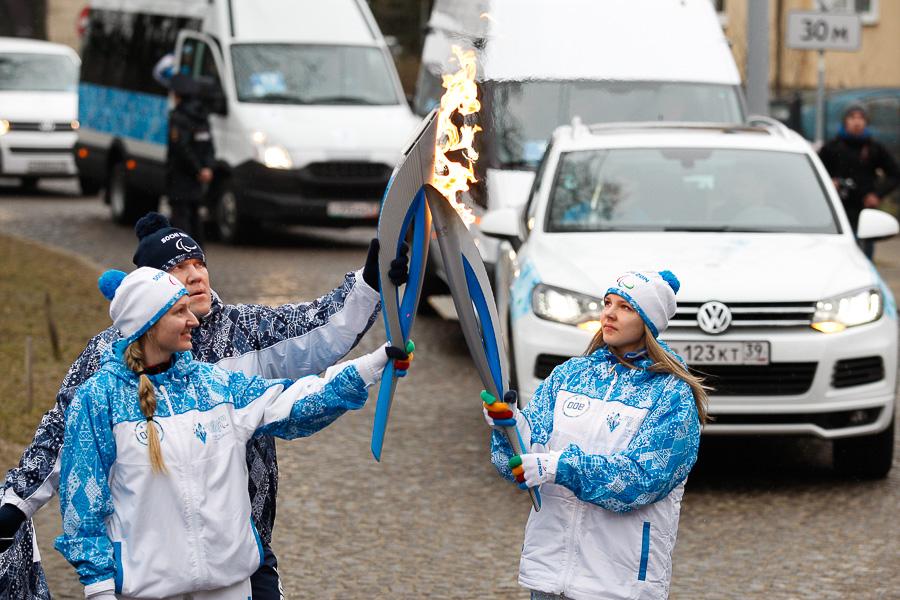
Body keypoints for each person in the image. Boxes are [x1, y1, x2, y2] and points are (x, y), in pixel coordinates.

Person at [0, 212, 408, 599]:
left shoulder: (239, 334)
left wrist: (370, 286)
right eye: (180, 268)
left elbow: (315, 336)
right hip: (150, 552)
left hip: (236, 544)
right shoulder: (104, 368)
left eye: (199, 262)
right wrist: (17, 504)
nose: (195, 275)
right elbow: (64, 441)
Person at [483, 270, 707, 600]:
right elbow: (523, 459)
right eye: (607, 303)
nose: (609, 313)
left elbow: (641, 482)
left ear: (649, 321)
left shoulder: (671, 395)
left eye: (627, 307)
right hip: (549, 571)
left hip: (619, 582)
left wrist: (559, 467)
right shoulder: (571, 375)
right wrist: (509, 427)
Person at [819, 104, 900, 259]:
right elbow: (817, 173)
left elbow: (894, 174)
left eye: (861, 118)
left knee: (864, 255)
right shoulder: (831, 148)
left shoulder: (874, 148)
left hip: (864, 210)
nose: (857, 122)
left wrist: (877, 194)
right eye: (852, 118)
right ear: (845, 121)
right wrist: (829, 183)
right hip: (837, 209)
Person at [166, 73, 215, 244]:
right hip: (197, 182)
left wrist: (197, 169)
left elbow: (181, 149)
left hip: (180, 181)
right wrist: (206, 168)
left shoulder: (178, 117)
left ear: (178, 94)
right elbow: (209, 147)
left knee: (181, 227)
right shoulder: (202, 117)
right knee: (196, 222)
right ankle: (200, 263)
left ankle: (184, 263)